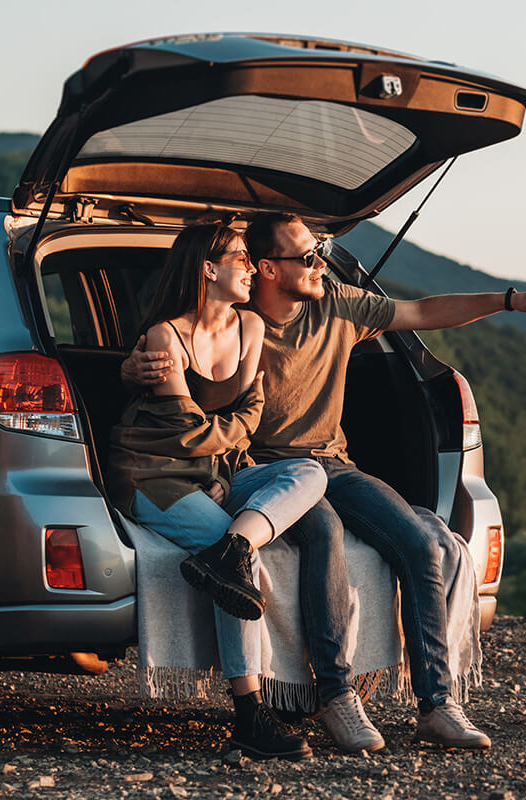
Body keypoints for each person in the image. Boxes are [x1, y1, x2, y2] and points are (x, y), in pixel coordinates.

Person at [122, 212, 526, 751]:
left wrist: (509, 300)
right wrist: (132, 367)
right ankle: (337, 697)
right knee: (325, 534)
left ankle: (437, 703)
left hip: (331, 463)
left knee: (423, 541)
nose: (319, 264)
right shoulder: (235, 315)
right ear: (265, 268)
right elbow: (186, 361)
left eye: (318, 253)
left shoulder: (334, 304)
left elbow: (422, 311)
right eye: (305, 256)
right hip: (262, 469)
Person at [108, 223, 328, 761]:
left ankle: (232, 548)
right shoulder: (165, 336)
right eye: (242, 258)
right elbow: (186, 430)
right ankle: (251, 716)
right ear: (208, 267)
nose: (253, 267)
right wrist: (223, 448)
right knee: (244, 574)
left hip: (216, 472)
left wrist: (224, 476)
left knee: (309, 474)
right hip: (152, 473)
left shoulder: (251, 326)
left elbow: (250, 418)